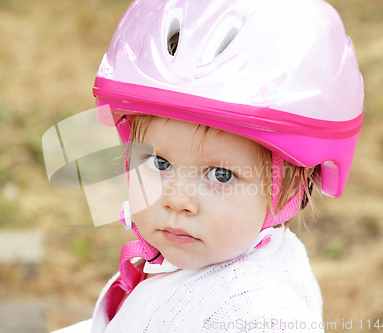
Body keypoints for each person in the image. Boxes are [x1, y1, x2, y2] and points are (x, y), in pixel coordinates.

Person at [52, 0, 363, 331]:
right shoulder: (186, 265)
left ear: (289, 190)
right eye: (159, 162)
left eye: (221, 174)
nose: (177, 199)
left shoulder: (256, 314)